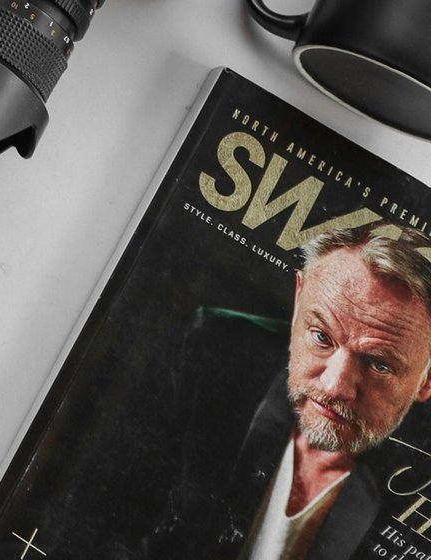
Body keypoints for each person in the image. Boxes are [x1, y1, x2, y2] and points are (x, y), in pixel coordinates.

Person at [144, 222, 431, 559]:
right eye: (322, 337)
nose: (334, 385)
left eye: (379, 364)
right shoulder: (207, 349)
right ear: (299, 298)